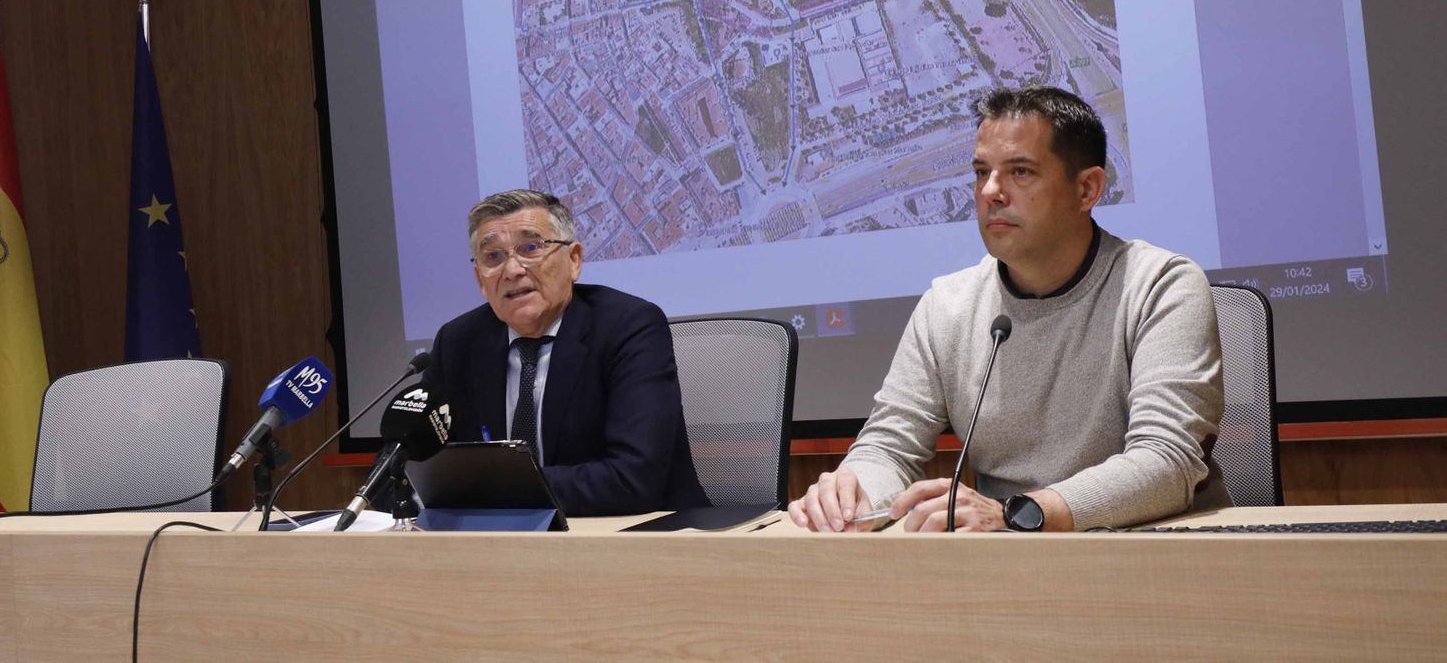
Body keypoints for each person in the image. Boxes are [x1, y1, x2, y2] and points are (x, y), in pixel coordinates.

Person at [789, 86, 1225, 533]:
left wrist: (1019, 513)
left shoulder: (1160, 285)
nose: (991, 192)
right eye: (981, 172)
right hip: (1002, 558)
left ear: (1087, 189)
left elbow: (1167, 461)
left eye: (1020, 172)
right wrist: (853, 492)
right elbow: (888, 446)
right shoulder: (949, 305)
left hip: (1150, 561)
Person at [423, 189, 708, 516]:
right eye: (494, 257)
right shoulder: (458, 342)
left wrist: (490, 487)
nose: (512, 270)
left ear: (574, 260)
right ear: (479, 279)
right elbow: (403, 469)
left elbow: (634, 478)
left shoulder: (628, 327)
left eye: (530, 248)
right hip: (503, 544)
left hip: (643, 539)